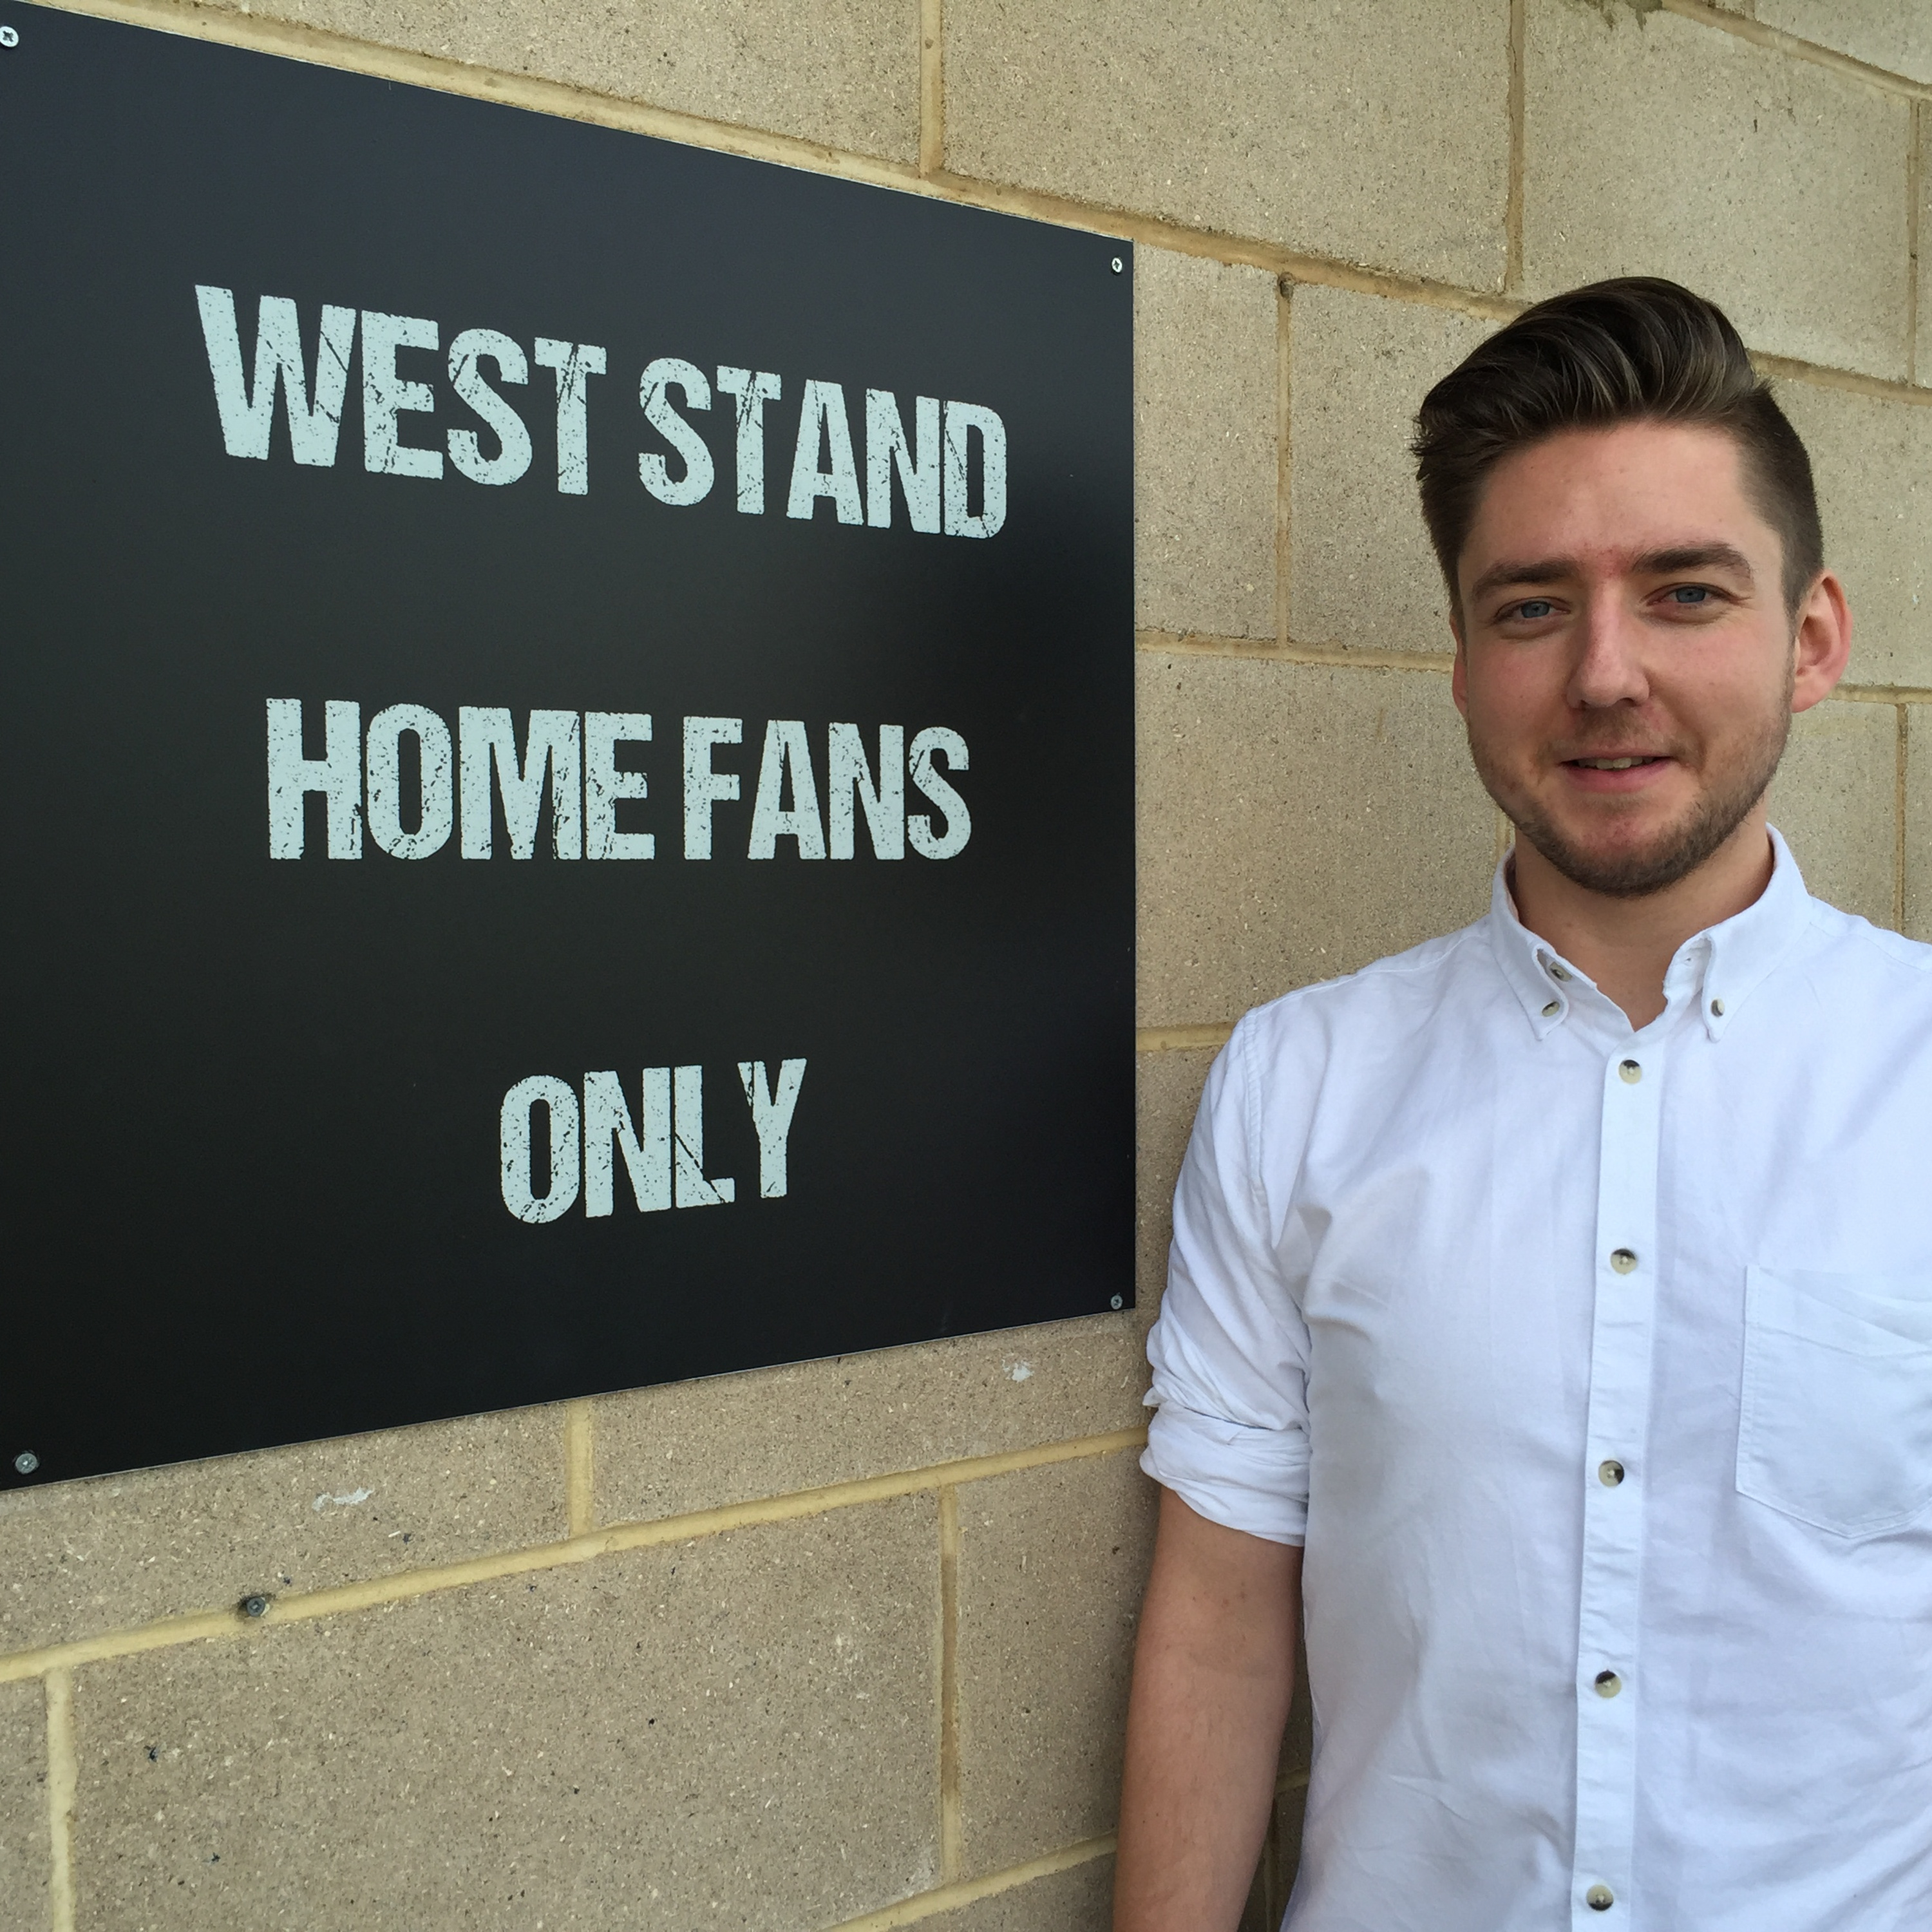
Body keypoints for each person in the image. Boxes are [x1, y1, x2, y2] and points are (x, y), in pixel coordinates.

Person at [1113, 277, 1932, 1931]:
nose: (1605, 674)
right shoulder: (1300, 1084)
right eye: (1534, 606)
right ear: (1465, 659)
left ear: (1815, 639)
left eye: (1685, 593)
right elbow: (1218, 1628)